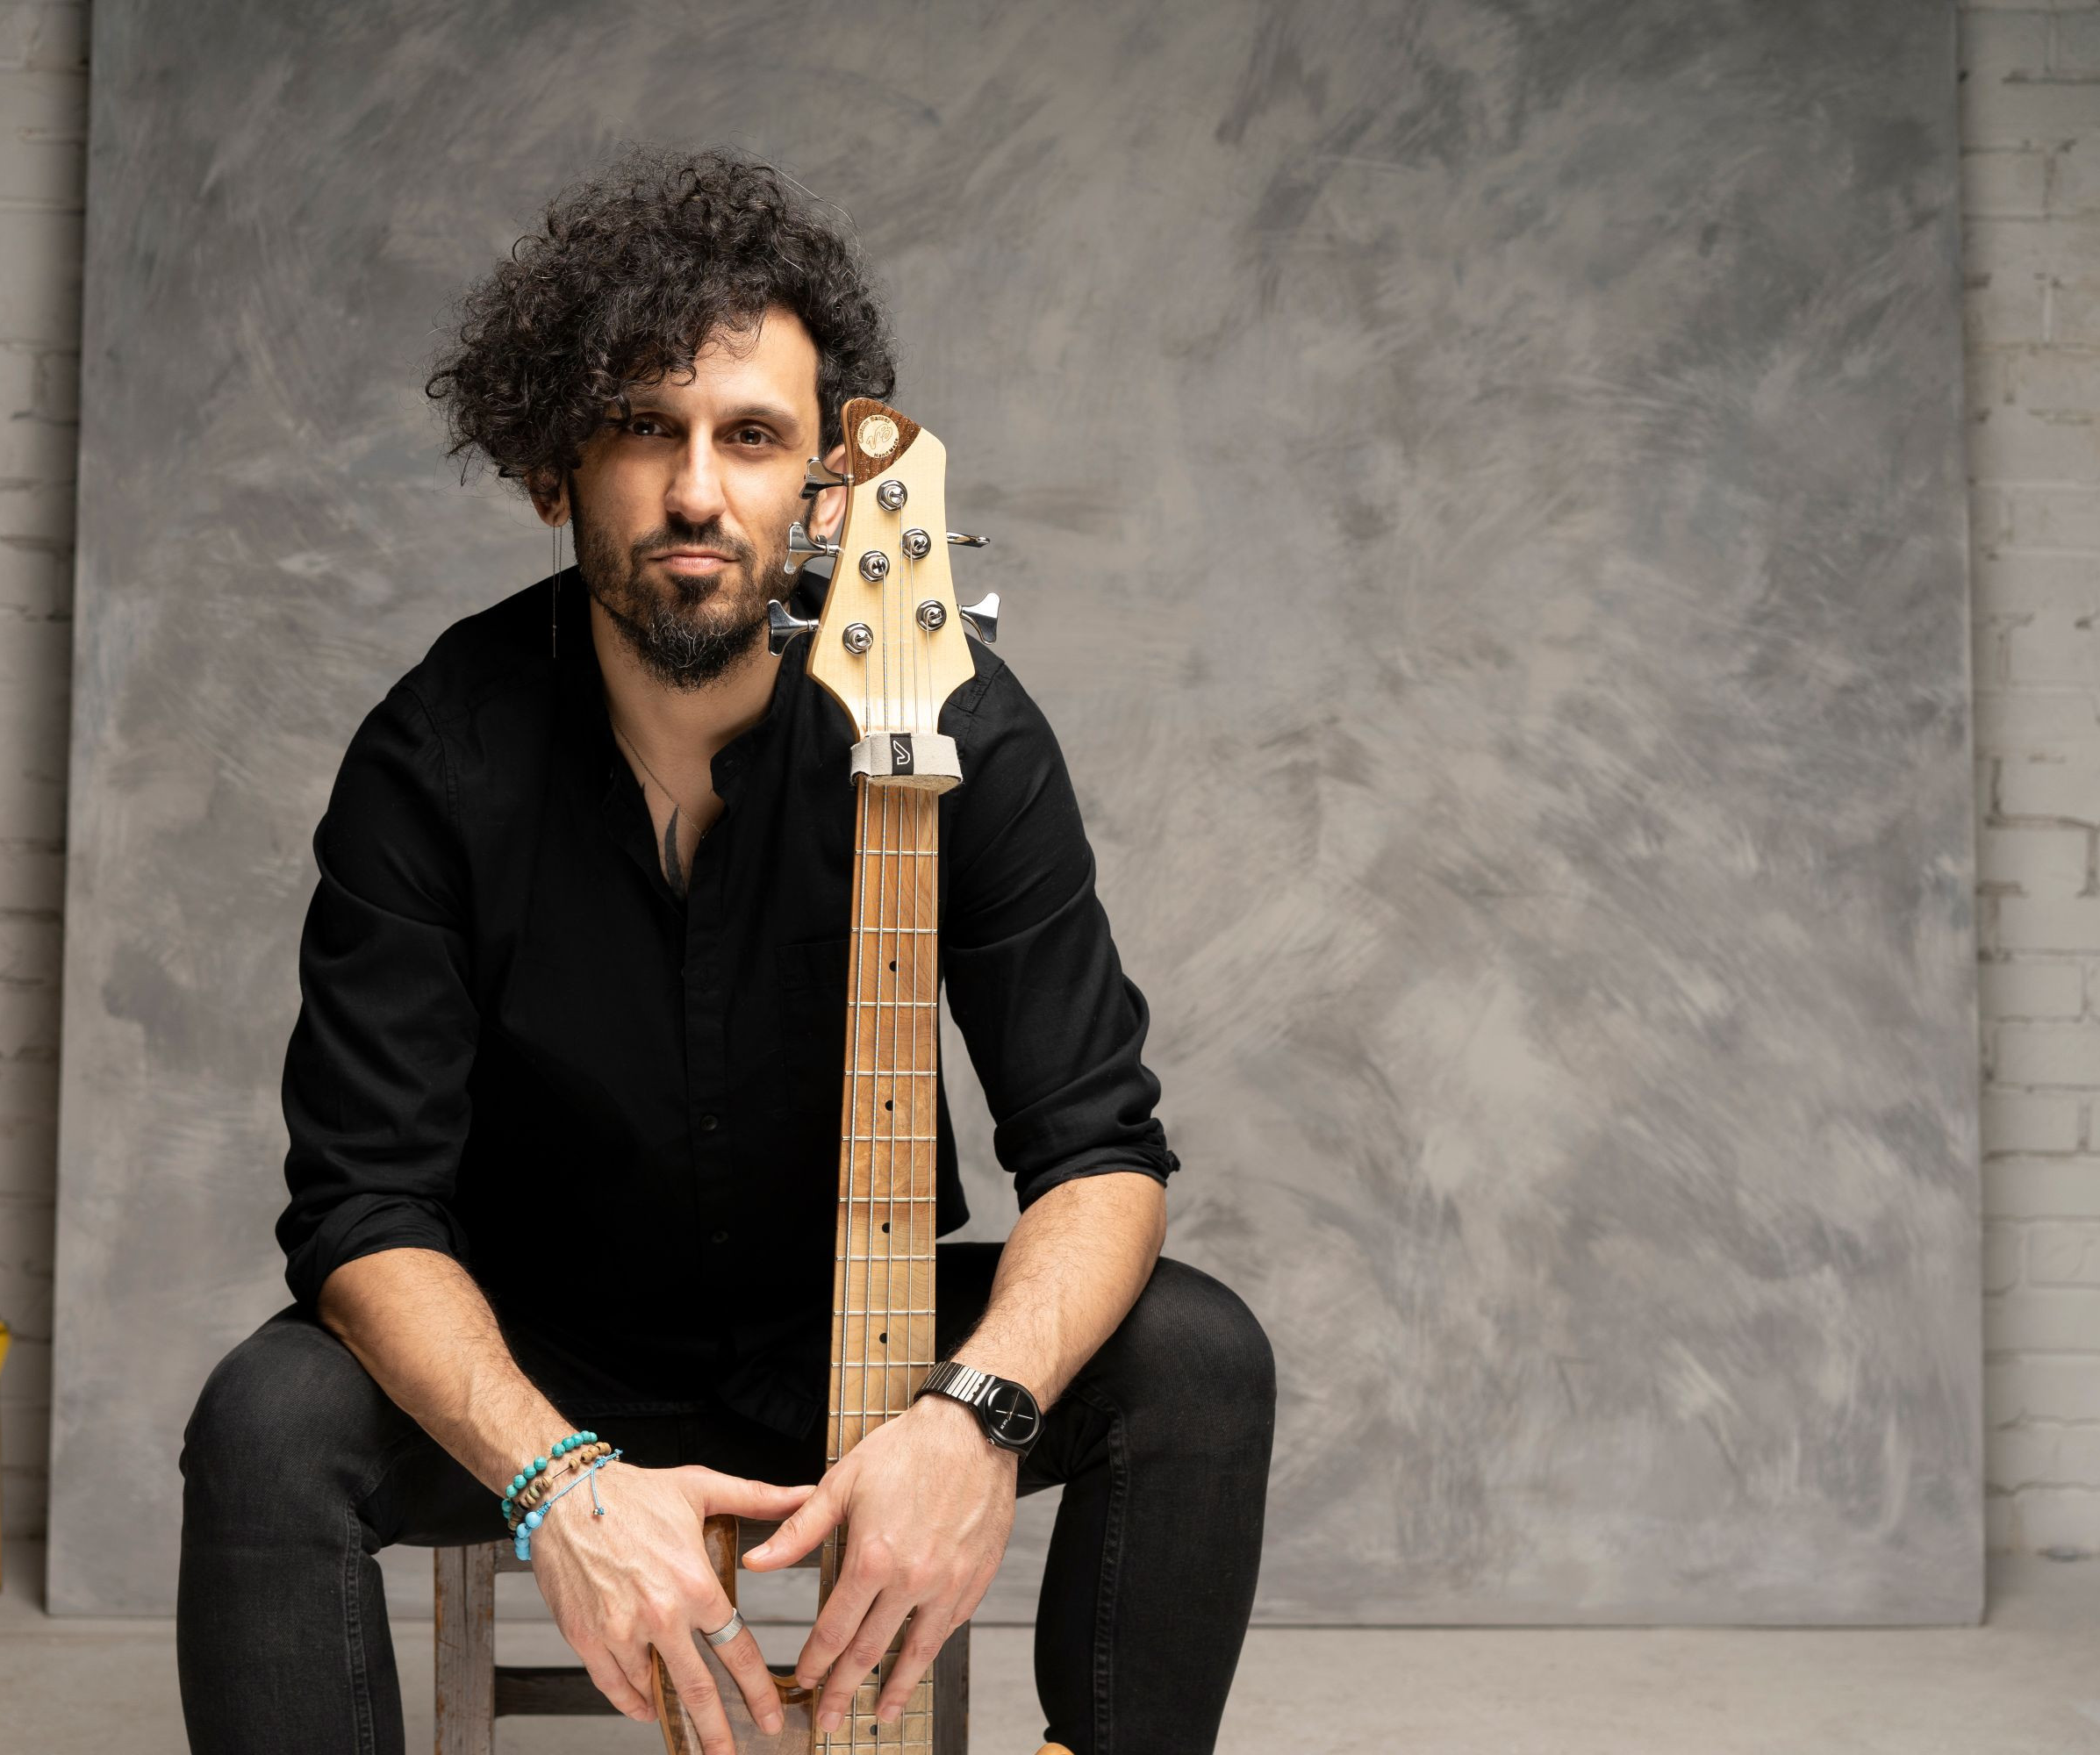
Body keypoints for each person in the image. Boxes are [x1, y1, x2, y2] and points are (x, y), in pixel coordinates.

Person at [174, 145, 1276, 1755]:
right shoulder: (435, 760)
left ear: (824, 487)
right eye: (645, 428)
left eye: (751, 436)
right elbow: (361, 1208)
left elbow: (1101, 1151)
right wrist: (557, 1479)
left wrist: (973, 1418)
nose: (697, 493)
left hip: (870, 1335)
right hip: (543, 1353)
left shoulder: (955, 723)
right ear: (555, 469)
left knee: (1198, 1352)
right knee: (267, 1421)